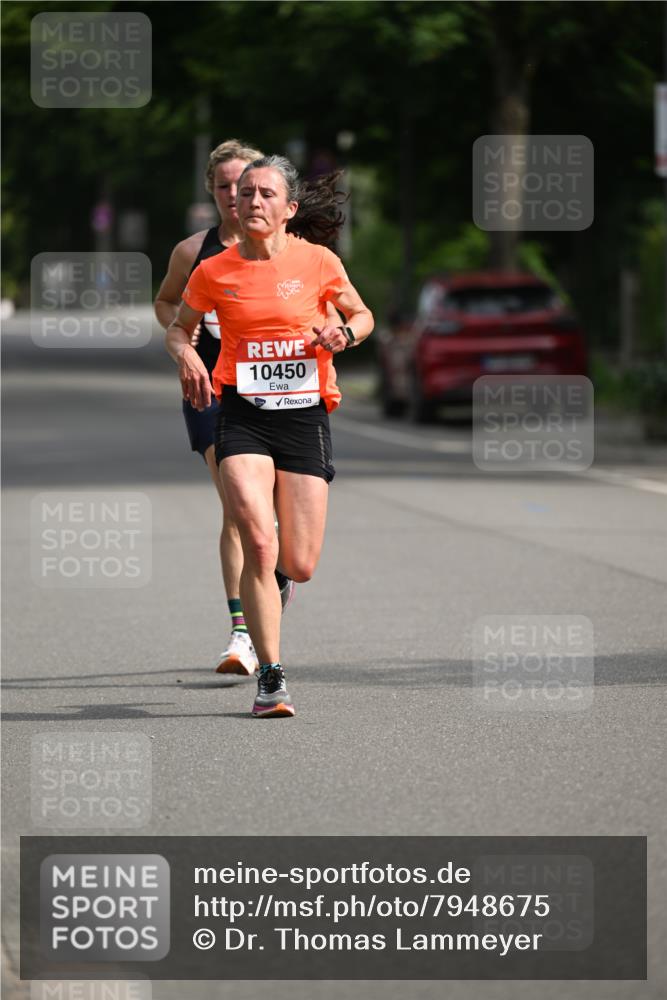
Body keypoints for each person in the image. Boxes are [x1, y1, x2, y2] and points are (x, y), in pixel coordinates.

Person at [166, 155, 374, 717]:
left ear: (289, 208)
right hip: (242, 416)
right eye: (245, 193)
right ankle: (271, 678)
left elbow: (363, 315)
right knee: (257, 541)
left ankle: (279, 583)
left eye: (265, 194)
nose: (252, 201)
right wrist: (187, 355)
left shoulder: (318, 261)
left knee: (298, 562)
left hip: (304, 417)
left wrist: (344, 332)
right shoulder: (214, 270)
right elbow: (179, 328)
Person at [156, 139, 269, 677]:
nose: (233, 194)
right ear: (212, 190)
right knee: (237, 506)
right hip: (210, 391)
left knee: (272, 519)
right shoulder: (192, 252)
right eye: (223, 185)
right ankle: (242, 632)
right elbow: (165, 304)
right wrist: (183, 340)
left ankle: (272, 581)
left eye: (242, 184)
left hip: (272, 391)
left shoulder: (284, 249)